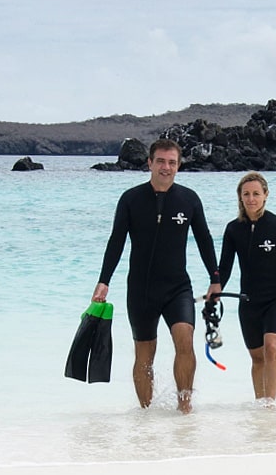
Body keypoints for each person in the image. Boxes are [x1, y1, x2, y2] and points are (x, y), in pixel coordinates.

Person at [93, 139, 220, 412]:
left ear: (178, 166)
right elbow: (116, 242)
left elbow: (204, 239)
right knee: (144, 355)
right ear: (149, 163)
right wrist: (104, 281)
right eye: (161, 161)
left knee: (185, 339)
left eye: (172, 162)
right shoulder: (131, 199)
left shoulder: (189, 199)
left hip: (178, 287)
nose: (166, 167)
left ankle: (184, 408)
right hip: (141, 289)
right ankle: (146, 414)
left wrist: (215, 278)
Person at [211, 171, 276, 402]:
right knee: (257, 358)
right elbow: (225, 267)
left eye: (256, 193)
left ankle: (270, 405)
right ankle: (260, 406)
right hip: (248, 302)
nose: (251, 199)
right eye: (246, 194)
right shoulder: (233, 229)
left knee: (272, 348)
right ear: (240, 197)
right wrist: (215, 288)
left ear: (266, 195)